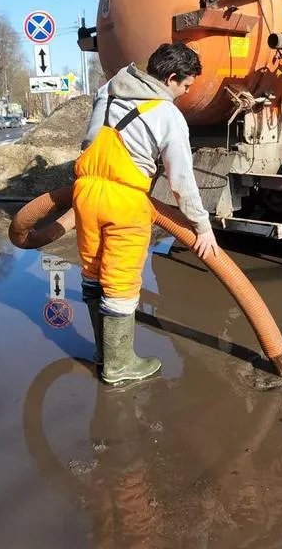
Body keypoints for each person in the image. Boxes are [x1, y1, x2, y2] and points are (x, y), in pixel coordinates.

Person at [74, 42, 220, 385]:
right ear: (170, 78)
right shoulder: (168, 116)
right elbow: (181, 180)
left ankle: (103, 354)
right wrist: (202, 227)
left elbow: (88, 143)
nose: (185, 94)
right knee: (120, 283)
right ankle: (120, 365)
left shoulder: (108, 90)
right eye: (185, 86)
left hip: (85, 192)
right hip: (124, 201)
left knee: (93, 272)